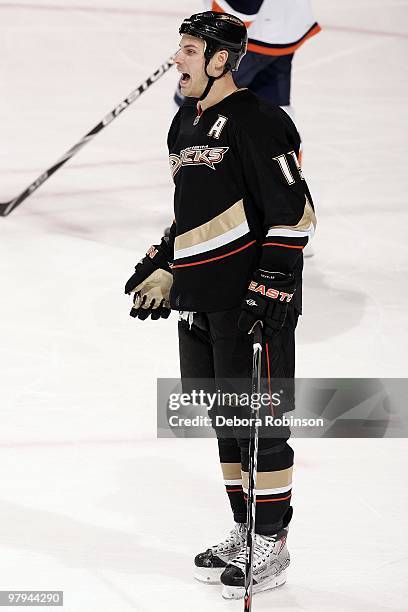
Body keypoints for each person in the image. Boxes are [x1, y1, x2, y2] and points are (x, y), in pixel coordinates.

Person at [125, 11, 316, 600]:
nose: (177, 59)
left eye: (188, 49)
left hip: (252, 308)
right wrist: (164, 258)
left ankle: (272, 543)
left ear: (219, 60)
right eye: (179, 47)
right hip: (202, 300)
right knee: (226, 426)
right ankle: (244, 529)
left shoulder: (259, 122)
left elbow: (294, 214)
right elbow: (195, 214)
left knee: (261, 427)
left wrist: (268, 290)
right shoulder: (185, 123)